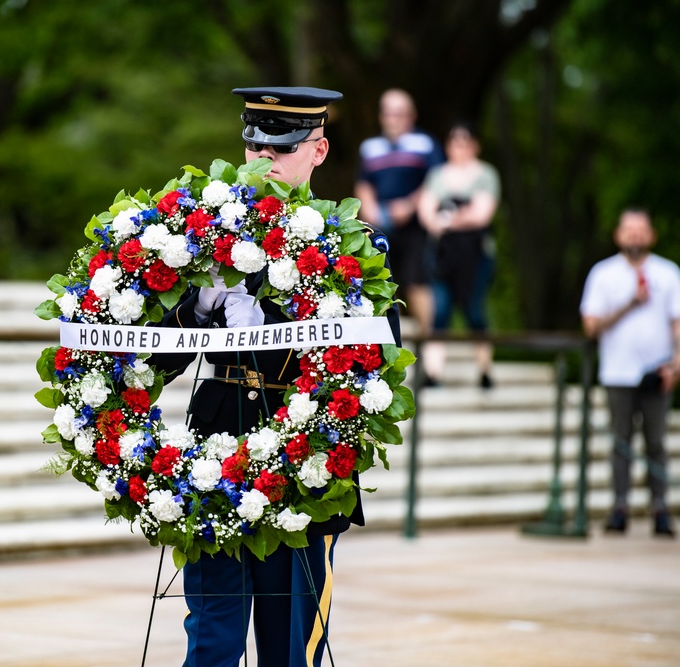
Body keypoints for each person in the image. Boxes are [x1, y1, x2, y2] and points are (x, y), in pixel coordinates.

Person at [153, 87, 399, 667]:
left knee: (291, 647)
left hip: (304, 463)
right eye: (255, 143)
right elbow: (158, 362)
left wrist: (283, 320)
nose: (264, 156)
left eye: (282, 146)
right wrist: (196, 308)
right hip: (217, 455)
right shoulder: (208, 238)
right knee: (211, 641)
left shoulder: (353, 251)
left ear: (318, 151)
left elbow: (378, 361)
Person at [579, 209, 680, 538]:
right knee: (620, 441)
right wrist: (630, 303)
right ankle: (620, 506)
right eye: (630, 229)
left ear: (652, 235)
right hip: (618, 372)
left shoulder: (669, 273)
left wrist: (677, 362)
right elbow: (591, 325)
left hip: (658, 372)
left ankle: (659, 507)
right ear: (618, 235)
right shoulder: (603, 274)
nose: (635, 236)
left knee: (656, 442)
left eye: (641, 230)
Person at [354, 89, 444, 348]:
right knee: (383, 281)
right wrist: (369, 207)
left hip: (415, 227)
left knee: (418, 283)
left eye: (400, 113)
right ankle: (389, 344)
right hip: (381, 226)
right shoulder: (370, 147)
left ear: (411, 115)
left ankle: (429, 345)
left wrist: (410, 205)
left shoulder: (425, 143)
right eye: (389, 113)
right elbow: (363, 182)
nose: (394, 119)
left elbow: (436, 180)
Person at [417, 122, 501, 388]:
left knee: (474, 312)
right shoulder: (438, 174)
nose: (460, 146)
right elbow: (426, 213)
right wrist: (457, 216)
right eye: (455, 140)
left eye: (465, 141)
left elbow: (482, 215)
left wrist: (447, 218)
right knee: (439, 312)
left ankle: (485, 370)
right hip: (442, 255)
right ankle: (433, 373)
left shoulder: (486, 174)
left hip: (475, 256)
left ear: (475, 144)